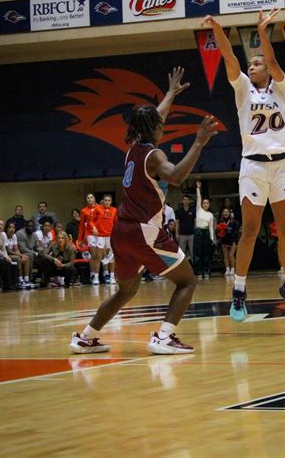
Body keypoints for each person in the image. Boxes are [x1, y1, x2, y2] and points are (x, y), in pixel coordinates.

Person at [70, 67, 218, 355]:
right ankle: (164, 337)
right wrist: (198, 142)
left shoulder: (133, 148)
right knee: (187, 281)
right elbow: (175, 177)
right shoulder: (155, 155)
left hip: (121, 232)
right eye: (160, 125)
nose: (163, 127)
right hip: (144, 232)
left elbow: (155, 117)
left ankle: (85, 337)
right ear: (154, 128)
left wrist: (171, 94)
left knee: (126, 290)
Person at [202, 9, 285, 321]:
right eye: (252, 63)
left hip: (282, 165)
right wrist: (218, 29)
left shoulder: (281, 88)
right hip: (253, 167)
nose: (253, 64)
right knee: (249, 230)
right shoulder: (243, 88)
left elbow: (274, 61)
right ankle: (238, 292)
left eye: (257, 62)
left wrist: (263, 31)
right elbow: (229, 56)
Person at [16, 220, 52, 287]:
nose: (30, 228)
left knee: (45, 259)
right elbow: (22, 248)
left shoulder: (34, 234)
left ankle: (44, 281)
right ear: (25, 226)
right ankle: (29, 279)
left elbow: (37, 246)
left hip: (33, 254)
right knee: (30, 255)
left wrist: (42, 251)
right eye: (29, 226)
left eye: (32, 226)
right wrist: (35, 253)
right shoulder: (20, 233)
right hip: (22, 254)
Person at [91, 194, 117, 284]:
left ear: (111, 202)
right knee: (98, 257)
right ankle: (96, 278)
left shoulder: (114, 210)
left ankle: (112, 277)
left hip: (110, 236)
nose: (107, 202)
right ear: (103, 200)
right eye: (105, 200)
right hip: (100, 236)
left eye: (109, 200)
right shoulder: (98, 209)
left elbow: (116, 223)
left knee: (111, 257)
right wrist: (94, 228)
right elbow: (91, 220)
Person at [193, 181, 215, 279]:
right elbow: (198, 198)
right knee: (197, 253)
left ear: (209, 204)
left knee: (206, 254)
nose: (205, 204)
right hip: (198, 232)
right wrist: (198, 188)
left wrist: (212, 238)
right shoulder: (199, 210)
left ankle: (206, 272)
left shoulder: (210, 215)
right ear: (201, 204)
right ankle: (198, 272)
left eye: (207, 203)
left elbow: (211, 227)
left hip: (206, 233)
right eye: (204, 203)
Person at [78, 194, 101, 284]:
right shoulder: (84, 210)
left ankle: (96, 274)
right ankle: (95, 276)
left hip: (100, 234)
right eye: (88, 198)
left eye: (91, 197)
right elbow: (81, 226)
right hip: (89, 234)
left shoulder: (100, 208)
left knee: (99, 255)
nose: (90, 199)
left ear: (94, 199)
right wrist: (80, 239)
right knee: (94, 253)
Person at [4, 220, 33, 289]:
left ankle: (26, 279)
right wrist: (20, 256)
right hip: (5, 254)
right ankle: (20, 280)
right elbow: (8, 250)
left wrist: (22, 255)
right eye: (10, 227)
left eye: (13, 227)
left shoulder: (14, 236)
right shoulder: (4, 235)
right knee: (18, 258)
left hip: (12, 254)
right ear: (6, 228)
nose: (12, 229)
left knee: (26, 257)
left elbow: (16, 249)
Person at [216, 207, 240, 276]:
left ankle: (233, 269)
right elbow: (217, 232)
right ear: (222, 213)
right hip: (224, 240)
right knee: (225, 256)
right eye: (224, 212)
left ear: (229, 213)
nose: (225, 213)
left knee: (231, 255)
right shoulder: (220, 222)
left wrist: (236, 240)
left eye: (227, 211)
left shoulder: (234, 222)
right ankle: (227, 269)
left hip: (232, 240)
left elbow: (236, 232)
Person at [175, 194, 196, 261]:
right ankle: (183, 269)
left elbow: (195, 222)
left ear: (189, 201)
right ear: (182, 201)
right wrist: (176, 234)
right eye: (184, 200)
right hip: (182, 234)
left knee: (193, 252)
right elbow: (177, 223)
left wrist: (195, 232)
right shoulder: (178, 211)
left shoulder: (193, 210)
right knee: (181, 254)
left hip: (191, 234)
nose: (186, 201)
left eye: (187, 200)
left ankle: (194, 269)